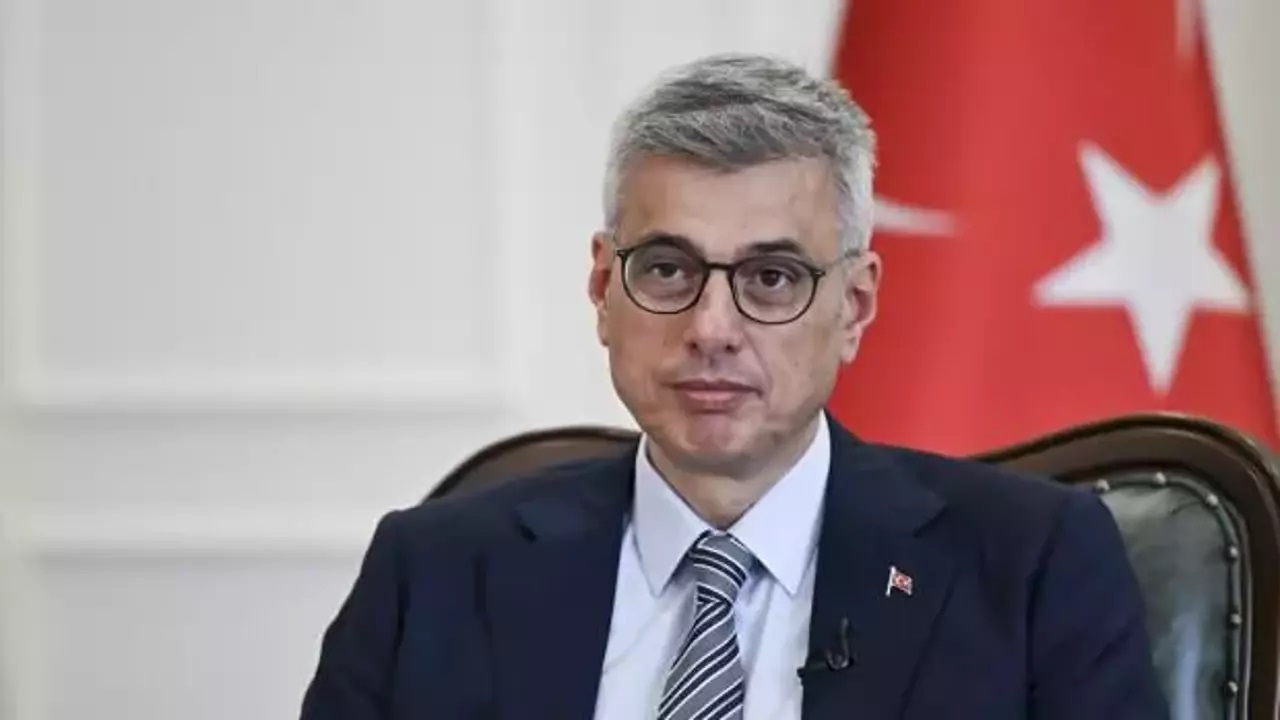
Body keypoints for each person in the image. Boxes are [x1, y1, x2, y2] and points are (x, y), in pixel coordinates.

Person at [300, 53, 1168, 719]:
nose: (712, 327)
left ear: (855, 305)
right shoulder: (435, 571)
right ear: (603, 288)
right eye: (667, 268)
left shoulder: (1032, 565)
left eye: (772, 278)